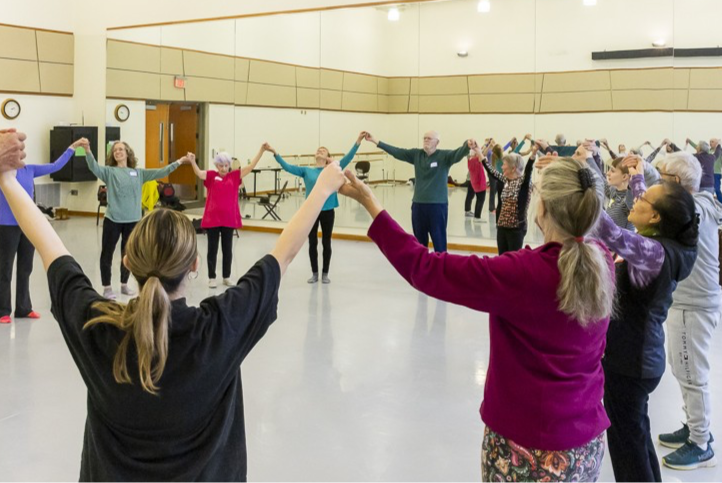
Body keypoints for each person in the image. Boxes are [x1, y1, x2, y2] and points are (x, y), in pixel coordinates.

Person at [0, 131, 348, 481]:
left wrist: (6, 177)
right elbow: (282, 254)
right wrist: (322, 189)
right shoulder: (220, 327)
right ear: (195, 264)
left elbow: (49, 245)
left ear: (128, 261)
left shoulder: (99, 327)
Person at [339, 157, 614, 483]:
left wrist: (370, 202)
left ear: (542, 211)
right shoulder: (602, 261)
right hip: (586, 443)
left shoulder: (523, 274)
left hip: (528, 447)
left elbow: (424, 267)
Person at [593, 154, 699, 483]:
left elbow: (609, 232)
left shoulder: (653, 251)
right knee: (636, 437)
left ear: (654, 215)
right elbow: (645, 202)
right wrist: (638, 176)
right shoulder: (672, 241)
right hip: (640, 359)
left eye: (643, 198)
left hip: (630, 362)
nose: (636, 197)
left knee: (627, 447)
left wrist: (582, 185)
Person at [654, 152, 720, 470]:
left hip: (695, 305)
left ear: (677, 183)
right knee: (683, 369)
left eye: (663, 176)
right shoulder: (701, 203)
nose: (658, 181)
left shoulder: (691, 208)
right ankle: (694, 427)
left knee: (693, 374)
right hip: (689, 303)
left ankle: (701, 443)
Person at [84, 140, 189, 299]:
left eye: (121, 149)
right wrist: (87, 151)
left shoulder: (138, 173)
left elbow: (161, 172)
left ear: (127, 153)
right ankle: (106, 287)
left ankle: (124, 284)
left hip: (132, 221)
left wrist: (180, 161)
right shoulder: (109, 172)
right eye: (115, 151)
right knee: (107, 254)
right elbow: (93, 167)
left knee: (128, 255)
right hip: (113, 219)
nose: (117, 152)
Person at [0, 137, 85, 324]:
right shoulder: (2, 172)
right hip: (5, 226)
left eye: (19, 151)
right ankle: (3, 310)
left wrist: (72, 148)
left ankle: (23, 307)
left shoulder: (29, 169)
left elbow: (55, 166)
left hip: (27, 225)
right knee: (4, 269)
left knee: (26, 268)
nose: (17, 154)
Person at [266, 132, 365, 283]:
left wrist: (358, 141)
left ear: (328, 156)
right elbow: (287, 167)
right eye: (318, 149)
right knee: (313, 242)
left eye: (323, 150)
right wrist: (275, 152)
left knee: (326, 242)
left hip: (328, 211)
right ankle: (314, 273)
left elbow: (348, 157)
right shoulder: (307, 171)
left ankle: (325, 273)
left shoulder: (332, 168)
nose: (320, 150)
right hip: (311, 212)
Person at [363, 130, 472, 253]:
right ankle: (422, 268)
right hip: (418, 206)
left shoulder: (444, 156)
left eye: (429, 138)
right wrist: (375, 141)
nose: (426, 140)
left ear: (437, 142)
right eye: (424, 138)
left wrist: (467, 145)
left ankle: (441, 269)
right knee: (419, 243)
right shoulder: (417, 155)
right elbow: (398, 152)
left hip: (437, 206)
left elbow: (458, 154)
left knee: (439, 242)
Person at [188, 146, 265, 288]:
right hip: (213, 219)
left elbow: (250, 166)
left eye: (226, 165)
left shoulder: (234, 176)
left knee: (227, 249)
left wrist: (260, 151)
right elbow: (199, 173)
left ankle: (226, 276)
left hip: (228, 220)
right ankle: (212, 277)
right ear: (216, 165)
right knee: (212, 249)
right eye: (220, 165)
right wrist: (193, 161)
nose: (223, 168)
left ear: (229, 165)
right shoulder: (211, 176)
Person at [476, 143, 535, 254]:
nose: (502, 167)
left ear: (513, 168)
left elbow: (528, 171)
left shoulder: (523, 183)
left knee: (513, 261)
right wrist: (479, 152)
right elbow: (491, 170)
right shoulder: (505, 180)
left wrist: (533, 154)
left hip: (516, 229)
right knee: (501, 258)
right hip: (502, 226)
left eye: (504, 164)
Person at [464, 150, 486, 221]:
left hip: (475, 183)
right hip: (480, 184)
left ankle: (476, 216)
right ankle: (477, 216)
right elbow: (482, 154)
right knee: (480, 200)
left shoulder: (469, 161)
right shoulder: (476, 160)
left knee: (478, 199)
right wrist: (489, 146)